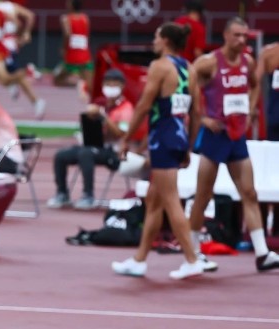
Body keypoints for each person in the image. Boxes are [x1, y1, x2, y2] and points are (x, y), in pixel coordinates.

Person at [112, 23, 204, 280]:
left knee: (171, 200)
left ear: (164, 40)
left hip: (162, 139)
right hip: (177, 138)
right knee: (154, 200)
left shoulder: (160, 66)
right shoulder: (190, 68)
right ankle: (139, 260)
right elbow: (196, 113)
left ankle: (192, 259)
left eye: (155, 37)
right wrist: (188, 146)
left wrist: (126, 139)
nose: (153, 41)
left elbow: (143, 105)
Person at [188, 18, 279, 272]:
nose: (242, 41)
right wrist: (203, 118)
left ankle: (262, 253)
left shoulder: (247, 62)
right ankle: (193, 252)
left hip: (236, 136)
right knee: (203, 196)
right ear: (226, 35)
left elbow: (254, 86)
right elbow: (188, 89)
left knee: (249, 193)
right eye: (237, 35)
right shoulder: (208, 63)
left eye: (245, 36)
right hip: (215, 137)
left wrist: (250, 109)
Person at [49, 68, 144, 210]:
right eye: (108, 83)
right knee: (61, 155)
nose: (110, 87)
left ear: (122, 86)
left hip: (114, 152)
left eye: (114, 84)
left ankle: (88, 196)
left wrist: (103, 117)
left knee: (85, 154)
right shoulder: (100, 104)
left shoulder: (126, 108)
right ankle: (62, 193)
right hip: (94, 145)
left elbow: (122, 134)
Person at [53, 0, 93, 100]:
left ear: (71, 5)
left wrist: (64, 48)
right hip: (85, 54)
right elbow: (86, 35)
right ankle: (81, 84)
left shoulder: (65, 19)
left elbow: (67, 34)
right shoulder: (85, 18)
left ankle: (76, 84)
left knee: (57, 80)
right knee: (89, 84)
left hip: (72, 55)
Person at [255, 42, 279, 141]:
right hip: (275, 114)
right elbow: (255, 82)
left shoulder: (269, 52)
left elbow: (254, 83)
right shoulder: (269, 52)